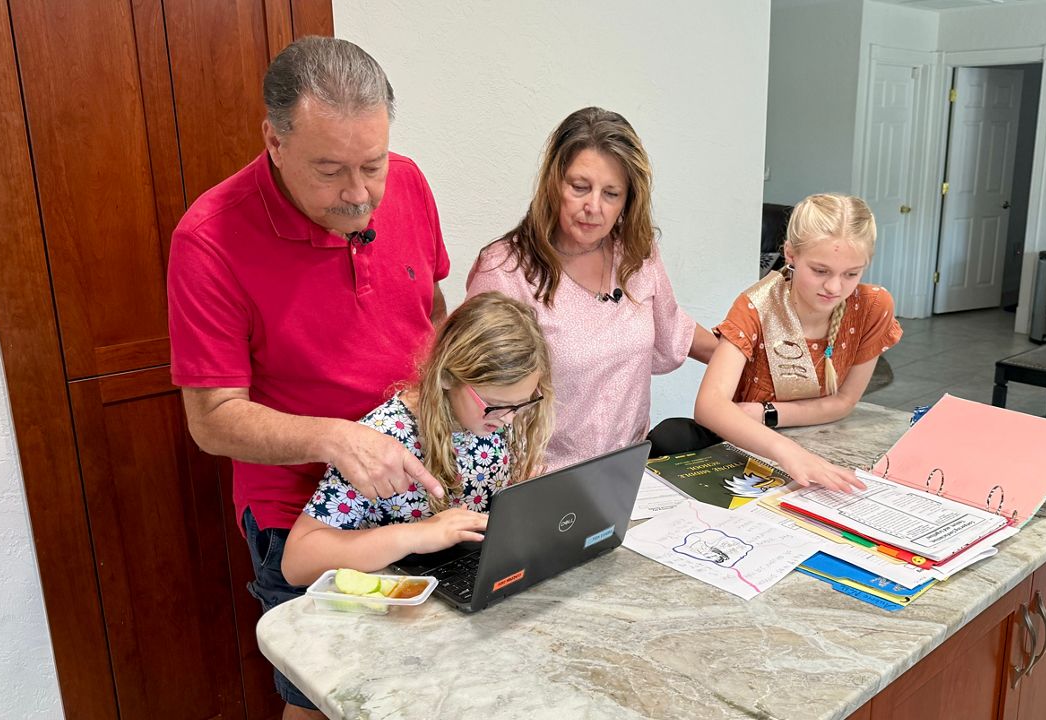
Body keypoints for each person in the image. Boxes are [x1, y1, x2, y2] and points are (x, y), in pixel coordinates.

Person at [167, 37, 447, 718]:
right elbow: (212, 418)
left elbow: (432, 310)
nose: (358, 195)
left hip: (415, 491)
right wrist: (338, 439)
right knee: (324, 699)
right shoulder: (208, 239)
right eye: (330, 170)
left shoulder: (406, 183)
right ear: (274, 139)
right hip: (302, 518)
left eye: (371, 166)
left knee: (426, 679)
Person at [466, 106, 717, 470]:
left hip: (629, 472)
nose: (592, 207)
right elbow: (469, 396)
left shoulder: (637, 255)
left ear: (629, 201)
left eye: (611, 193)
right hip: (539, 481)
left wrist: (748, 359)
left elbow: (674, 327)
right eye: (579, 187)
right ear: (554, 183)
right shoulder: (505, 272)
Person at [281, 292, 554, 585]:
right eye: (495, 405)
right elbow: (297, 561)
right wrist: (417, 535)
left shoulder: (497, 420)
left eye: (522, 404)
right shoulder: (384, 438)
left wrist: (520, 500)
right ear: (448, 376)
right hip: (395, 606)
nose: (509, 420)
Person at [667, 193, 903, 493]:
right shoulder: (756, 307)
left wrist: (769, 413)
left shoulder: (872, 307)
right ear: (791, 255)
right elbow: (710, 406)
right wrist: (789, 451)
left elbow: (844, 401)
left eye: (851, 274)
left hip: (819, 443)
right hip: (750, 451)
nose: (834, 287)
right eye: (820, 271)